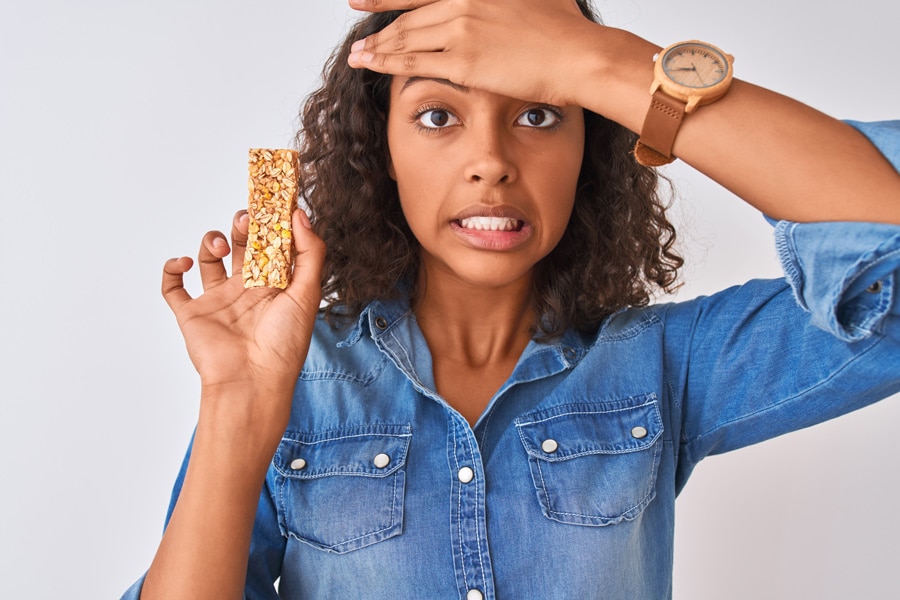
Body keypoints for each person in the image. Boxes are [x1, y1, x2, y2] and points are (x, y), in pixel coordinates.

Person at [122, 0, 900, 598]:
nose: (490, 161)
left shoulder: (661, 367)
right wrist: (238, 402)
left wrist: (606, 62)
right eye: (437, 116)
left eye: (538, 112)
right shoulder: (292, 380)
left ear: (587, 147)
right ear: (380, 150)